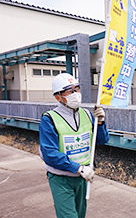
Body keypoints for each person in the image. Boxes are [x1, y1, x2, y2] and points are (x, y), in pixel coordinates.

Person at [39, 73, 110, 218]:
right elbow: (49, 154)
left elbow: (101, 140)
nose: (76, 94)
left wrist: (100, 122)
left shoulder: (87, 115)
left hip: (82, 178)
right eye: (70, 90)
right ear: (58, 97)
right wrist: (78, 168)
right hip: (61, 179)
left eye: (77, 89)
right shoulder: (49, 119)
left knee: (80, 214)